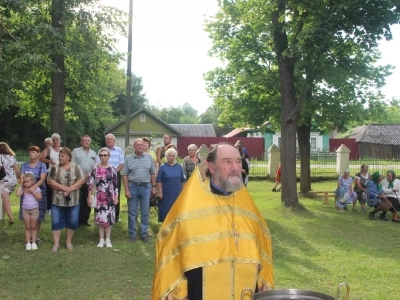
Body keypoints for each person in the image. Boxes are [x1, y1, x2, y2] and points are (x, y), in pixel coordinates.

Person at [151, 143, 274, 299]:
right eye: (227, 161)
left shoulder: (247, 205)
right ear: (211, 166)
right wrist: (178, 291)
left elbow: (263, 247)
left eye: (238, 161)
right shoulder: (190, 206)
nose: (235, 167)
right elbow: (170, 247)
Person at [47, 148, 85, 252]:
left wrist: (70, 189)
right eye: (59, 156)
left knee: (72, 222)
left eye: (62, 156)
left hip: (73, 201)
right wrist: (64, 188)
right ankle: (56, 244)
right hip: (57, 201)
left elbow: (81, 180)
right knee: (56, 222)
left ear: (68, 157)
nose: (60, 158)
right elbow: (50, 181)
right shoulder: (55, 168)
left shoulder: (76, 167)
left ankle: (68, 242)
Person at [121, 138, 156, 243]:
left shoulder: (149, 158)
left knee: (145, 211)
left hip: (146, 187)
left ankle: (144, 233)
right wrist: (126, 190)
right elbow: (124, 174)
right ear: (134, 147)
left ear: (144, 146)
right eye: (137, 145)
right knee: (132, 212)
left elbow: (152, 173)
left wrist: (154, 187)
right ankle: (132, 234)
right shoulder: (128, 159)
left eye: (141, 145)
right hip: (133, 187)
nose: (140, 147)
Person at [88, 148, 119, 248]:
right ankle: (101, 239)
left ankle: (108, 239)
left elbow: (115, 184)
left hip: (110, 195)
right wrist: (89, 196)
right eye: (101, 155)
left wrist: (116, 197)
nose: (103, 157)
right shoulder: (95, 168)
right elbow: (91, 183)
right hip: (99, 196)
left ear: (109, 156)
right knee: (100, 218)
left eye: (105, 155)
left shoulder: (113, 169)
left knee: (109, 218)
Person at [19, 146, 47, 243]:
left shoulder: (42, 165)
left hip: (39, 190)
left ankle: (35, 236)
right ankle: (28, 234)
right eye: (30, 152)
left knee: (38, 214)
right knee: (27, 211)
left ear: (38, 153)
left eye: (34, 152)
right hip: (26, 192)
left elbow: (43, 178)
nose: (31, 153)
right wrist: (24, 187)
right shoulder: (24, 165)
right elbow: (22, 177)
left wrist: (33, 188)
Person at [72, 135, 96, 226]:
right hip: (77, 180)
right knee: (78, 199)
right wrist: (81, 177)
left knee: (88, 199)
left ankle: (85, 220)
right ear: (81, 142)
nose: (86, 142)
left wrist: (89, 175)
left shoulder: (93, 153)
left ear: (90, 142)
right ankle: (77, 220)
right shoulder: (75, 151)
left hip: (89, 180)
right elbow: (73, 165)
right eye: (84, 141)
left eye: (88, 141)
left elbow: (95, 167)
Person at [156, 148, 186, 222]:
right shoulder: (162, 167)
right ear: (166, 156)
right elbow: (159, 180)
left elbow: (183, 180)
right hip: (166, 194)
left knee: (177, 212)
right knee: (166, 212)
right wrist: (160, 192)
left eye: (173, 156)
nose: (171, 157)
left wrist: (183, 192)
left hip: (177, 193)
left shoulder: (179, 167)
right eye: (169, 156)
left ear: (175, 157)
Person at [16, 173, 42, 250]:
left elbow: (39, 198)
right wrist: (21, 185)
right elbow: (17, 194)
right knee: (27, 227)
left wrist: (33, 191)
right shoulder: (23, 189)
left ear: (32, 182)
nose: (26, 183)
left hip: (34, 209)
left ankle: (33, 242)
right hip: (25, 210)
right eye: (25, 182)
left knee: (33, 226)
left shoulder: (36, 188)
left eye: (28, 182)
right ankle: (28, 243)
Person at [103, 134, 124, 222]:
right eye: (107, 139)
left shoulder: (119, 150)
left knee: (116, 195)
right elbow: (98, 163)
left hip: (116, 175)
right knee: (105, 195)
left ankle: (116, 216)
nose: (109, 140)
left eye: (111, 139)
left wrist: (114, 173)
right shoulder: (103, 151)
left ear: (114, 140)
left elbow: (121, 163)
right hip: (104, 176)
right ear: (105, 141)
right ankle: (106, 214)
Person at [40, 133, 63, 215]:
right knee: (50, 190)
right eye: (54, 140)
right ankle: (49, 208)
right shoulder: (49, 149)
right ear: (52, 141)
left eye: (57, 139)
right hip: (51, 171)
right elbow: (41, 158)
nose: (56, 141)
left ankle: (59, 206)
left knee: (59, 189)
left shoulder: (63, 149)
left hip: (61, 171)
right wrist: (49, 161)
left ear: (60, 140)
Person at [0, 142, 20, 224]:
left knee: (6, 199)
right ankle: (2, 215)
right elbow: (17, 170)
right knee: (5, 199)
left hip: (3, 180)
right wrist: (19, 178)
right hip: (12, 181)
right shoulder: (12, 157)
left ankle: (11, 217)